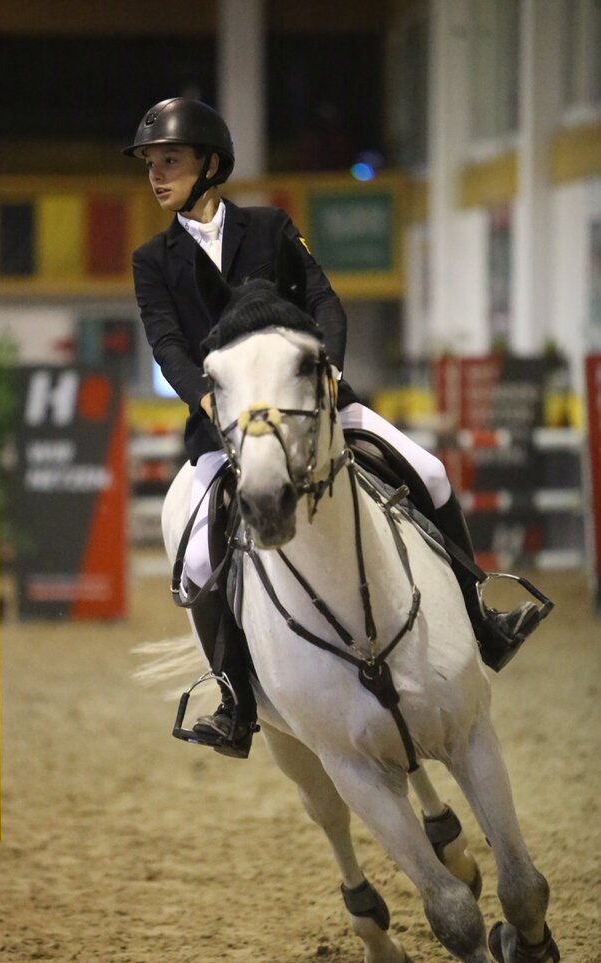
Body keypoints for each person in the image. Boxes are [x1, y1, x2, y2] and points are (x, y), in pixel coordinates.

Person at [125, 97, 539, 757]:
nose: (155, 175)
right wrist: (204, 399)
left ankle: (480, 617)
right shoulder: (153, 259)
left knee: (430, 472)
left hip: (313, 404)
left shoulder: (269, 227)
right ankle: (234, 697)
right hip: (227, 425)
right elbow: (166, 341)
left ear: (209, 164)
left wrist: (328, 372)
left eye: (169, 161)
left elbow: (323, 300)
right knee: (200, 556)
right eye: (150, 164)